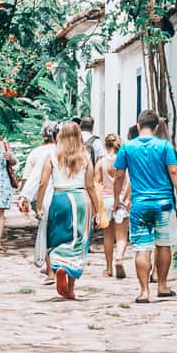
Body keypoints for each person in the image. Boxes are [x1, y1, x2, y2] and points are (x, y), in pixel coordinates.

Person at [111, 111, 177, 303]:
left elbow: (118, 176)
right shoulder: (164, 146)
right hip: (164, 204)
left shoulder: (127, 147)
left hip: (140, 205)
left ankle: (144, 292)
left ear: (138, 126)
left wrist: (117, 200)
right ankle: (162, 285)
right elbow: (174, 171)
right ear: (156, 127)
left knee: (141, 247)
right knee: (163, 245)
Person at [31, 119, 105, 299]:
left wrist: (39, 206)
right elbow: (90, 186)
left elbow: (42, 183)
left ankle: (58, 264)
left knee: (57, 238)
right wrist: (97, 211)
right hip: (80, 200)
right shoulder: (85, 157)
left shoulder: (52, 156)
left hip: (59, 198)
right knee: (79, 242)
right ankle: (71, 288)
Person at [20, 122, 60, 271]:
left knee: (47, 231)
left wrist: (25, 196)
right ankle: (64, 266)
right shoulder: (74, 152)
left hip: (47, 197)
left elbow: (34, 177)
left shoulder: (40, 152)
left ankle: (50, 270)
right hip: (72, 198)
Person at [97, 132, 129, 278]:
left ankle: (109, 268)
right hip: (121, 199)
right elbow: (129, 182)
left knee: (107, 236)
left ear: (105, 145)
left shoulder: (101, 163)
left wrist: (96, 206)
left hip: (105, 200)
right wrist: (126, 199)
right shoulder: (123, 161)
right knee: (121, 236)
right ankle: (119, 258)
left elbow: (96, 185)